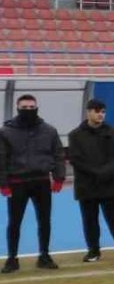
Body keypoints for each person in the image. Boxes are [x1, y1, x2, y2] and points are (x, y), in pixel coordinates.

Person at [1, 94, 67, 273]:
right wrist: (3, 183)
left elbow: (59, 155)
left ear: (37, 108)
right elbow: (1, 158)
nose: (28, 110)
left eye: (32, 107)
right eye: (25, 107)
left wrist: (59, 177)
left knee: (44, 221)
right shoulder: (6, 132)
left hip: (42, 182)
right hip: (17, 183)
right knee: (14, 222)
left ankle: (44, 256)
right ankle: (12, 259)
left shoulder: (49, 130)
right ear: (17, 108)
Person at [68, 99, 114, 263]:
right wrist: (95, 173)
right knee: (90, 220)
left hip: (111, 183)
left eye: (103, 111)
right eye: (97, 111)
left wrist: (105, 172)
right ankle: (93, 251)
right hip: (87, 185)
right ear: (88, 112)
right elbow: (76, 159)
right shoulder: (75, 135)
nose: (100, 114)